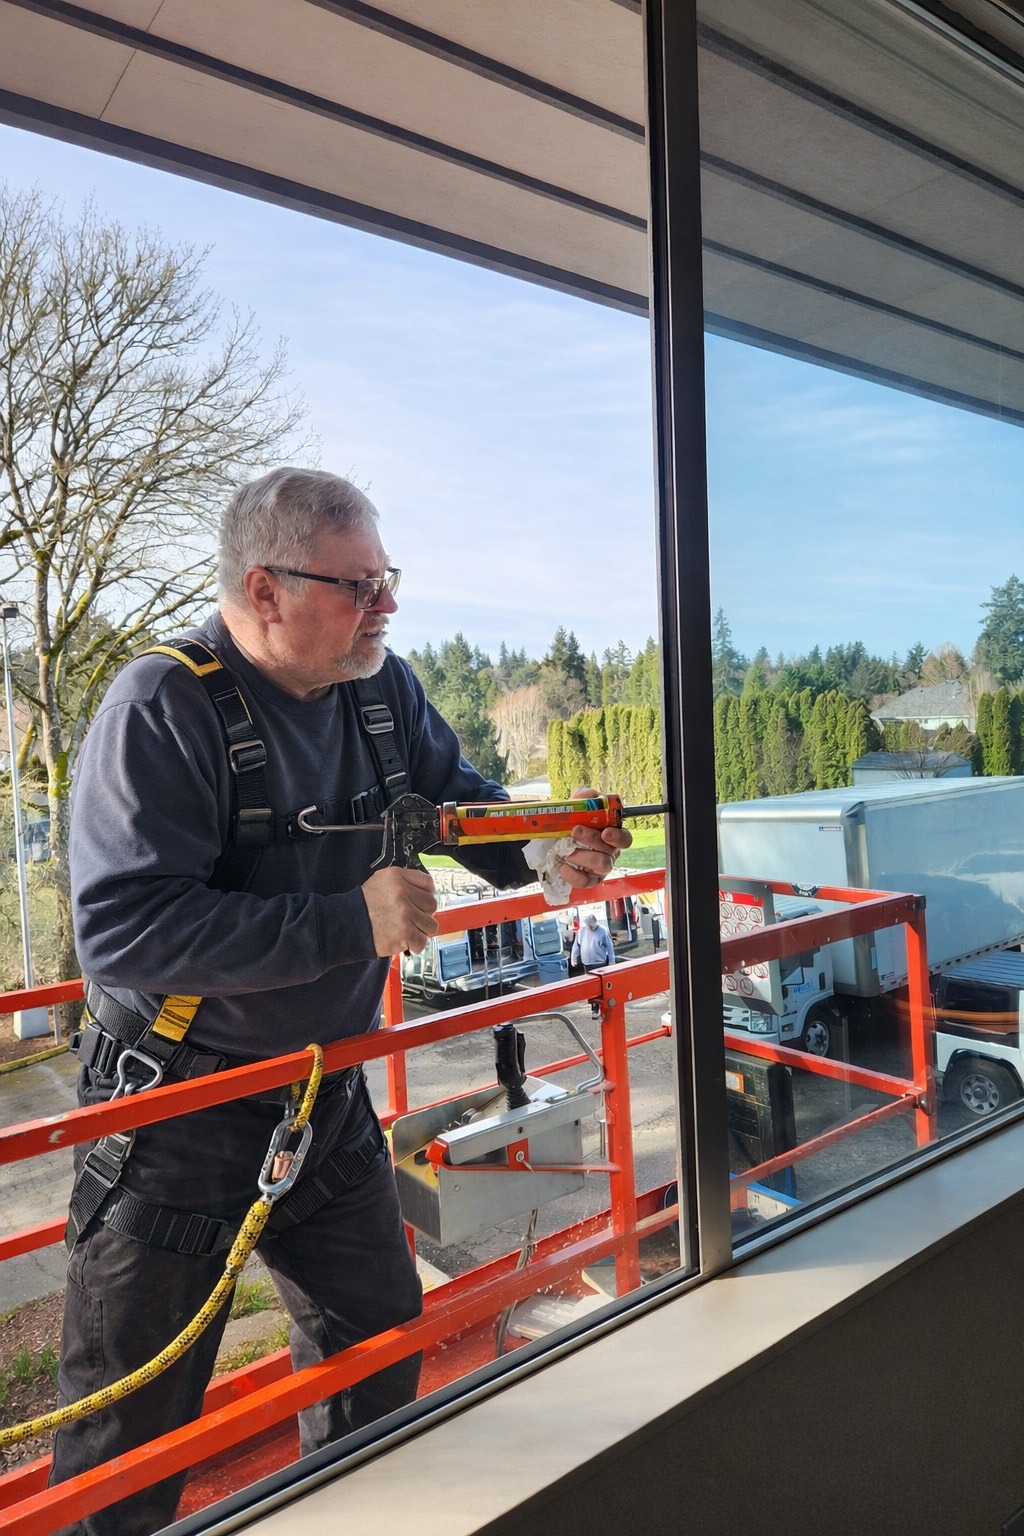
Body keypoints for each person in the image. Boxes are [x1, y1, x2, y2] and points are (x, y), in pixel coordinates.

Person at [51, 467, 631, 1535]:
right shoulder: (163, 706)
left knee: (376, 1337)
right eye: (359, 586)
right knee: (127, 1428)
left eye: (386, 580)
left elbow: (457, 807)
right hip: (174, 1112)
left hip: (324, 1095)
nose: (387, 607)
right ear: (264, 590)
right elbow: (125, 928)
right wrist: (345, 924)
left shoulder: (379, 688)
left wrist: (543, 848)